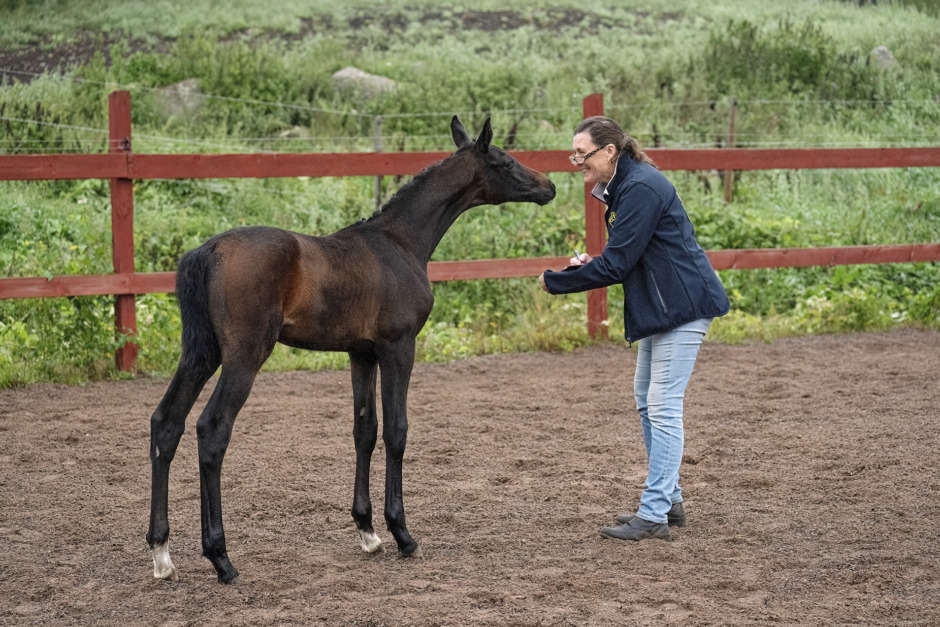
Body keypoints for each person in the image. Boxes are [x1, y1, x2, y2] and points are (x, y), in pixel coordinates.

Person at [539, 116, 730, 542]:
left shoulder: (640, 187)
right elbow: (628, 254)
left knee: (662, 405)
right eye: (574, 154)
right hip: (664, 308)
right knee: (647, 401)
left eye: (582, 154)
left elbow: (619, 264)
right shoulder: (627, 186)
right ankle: (670, 500)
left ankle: (656, 512)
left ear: (609, 151)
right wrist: (591, 265)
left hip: (683, 306)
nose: (576, 162)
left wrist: (558, 281)